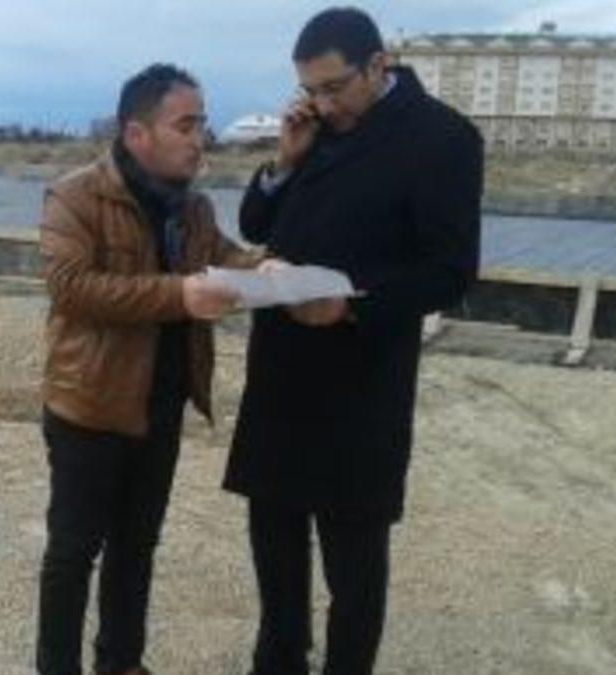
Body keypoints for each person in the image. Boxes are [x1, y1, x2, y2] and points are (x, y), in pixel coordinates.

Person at [222, 7, 483, 675]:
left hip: (362, 377)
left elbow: (451, 272)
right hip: (281, 369)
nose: (323, 103)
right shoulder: (315, 129)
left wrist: (349, 304)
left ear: (378, 65)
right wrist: (284, 162)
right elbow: (256, 225)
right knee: (274, 540)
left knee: (354, 564)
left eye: (335, 87)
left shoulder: (444, 138)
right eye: (310, 89)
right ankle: (278, 660)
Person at [36, 63, 260, 675]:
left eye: (202, 125)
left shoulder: (194, 207)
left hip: (161, 403)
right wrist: (178, 294)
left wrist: (268, 269)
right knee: (73, 552)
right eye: (185, 126)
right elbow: (70, 286)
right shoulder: (74, 195)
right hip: (89, 402)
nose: (199, 140)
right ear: (137, 133)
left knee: (137, 546)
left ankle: (121, 663)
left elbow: (226, 257)